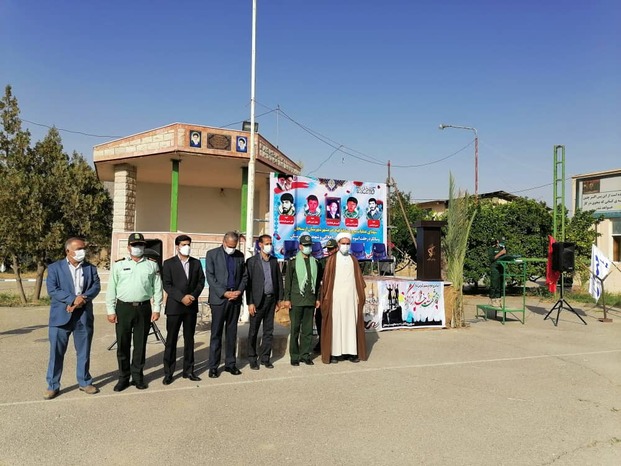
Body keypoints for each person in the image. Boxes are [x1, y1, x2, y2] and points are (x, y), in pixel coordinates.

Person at [44, 237, 101, 400]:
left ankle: (84, 382)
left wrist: (82, 298)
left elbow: (95, 287)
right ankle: (53, 385)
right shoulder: (55, 268)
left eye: (84, 248)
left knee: (84, 351)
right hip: (60, 317)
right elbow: (52, 289)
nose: (82, 251)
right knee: (56, 353)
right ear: (68, 251)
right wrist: (72, 299)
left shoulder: (90, 268)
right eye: (79, 249)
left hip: (83, 316)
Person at [106, 232, 163, 391]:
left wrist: (157, 308)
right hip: (123, 308)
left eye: (141, 245)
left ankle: (137, 377)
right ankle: (123, 378)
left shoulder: (152, 265)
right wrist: (110, 310)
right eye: (135, 245)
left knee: (140, 345)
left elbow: (157, 288)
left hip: (144, 308)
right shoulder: (119, 265)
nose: (138, 247)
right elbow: (111, 288)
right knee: (123, 345)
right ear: (128, 247)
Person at [161, 235, 206, 385]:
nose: (187, 247)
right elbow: (167, 284)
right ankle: (168, 372)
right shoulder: (168, 263)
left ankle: (189, 370)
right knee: (171, 340)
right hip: (175, 307)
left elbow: (201, 281)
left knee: (189, 339)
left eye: (188, 244)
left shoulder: (196, 263)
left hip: (191, 306)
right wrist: (181, 298)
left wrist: (193, 295)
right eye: (184, 244)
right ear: (177, 247)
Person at [205, 231, 248, 378]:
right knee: (216, 334)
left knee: (231, 333)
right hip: (219, 300)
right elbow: (210, 276)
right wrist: (224, 293)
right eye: (229, 246)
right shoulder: (212, 254)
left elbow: (244, 276)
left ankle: (230, 364)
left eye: (234, 246)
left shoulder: (239, 256)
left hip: (235, 299)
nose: (232, 249)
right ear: (224, 242)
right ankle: (213, 366)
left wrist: (239, 291)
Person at [320, 232, 367, 364]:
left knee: (350, 324)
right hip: (336, 298)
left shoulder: (353, 260)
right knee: (336, 325)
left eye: (348, 243)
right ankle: (335, 354)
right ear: (338, 244)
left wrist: (358, 296)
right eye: (343, 243)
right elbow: (327, 281)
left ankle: (351, 352)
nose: (345, 246)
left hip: (351, 298)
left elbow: (358, 280)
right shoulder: (332, 260)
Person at [245, 234, 283, 370]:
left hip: (271, 300)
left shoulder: (274, 261)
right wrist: (250, 302)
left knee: (268, 331)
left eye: (270, 243)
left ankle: (265, 358)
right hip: (257, 302)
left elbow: (278, 280)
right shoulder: (252, 261)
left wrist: (279, 299)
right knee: (253, 331)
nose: (269, 246)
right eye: (266, 243)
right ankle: (252, 358)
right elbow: (248, 284)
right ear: (260, 245)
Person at [283, 234, 322, 366]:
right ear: (300, 246)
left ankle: (305, 355)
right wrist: (287, 299)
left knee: (308, 330)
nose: (308, 247)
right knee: (295, 329)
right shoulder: (293, 262)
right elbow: (288, 282)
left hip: (310, 300)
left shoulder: (315, 262)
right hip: (296, 300)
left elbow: (317, 283)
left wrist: (317, 298)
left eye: (309, 245)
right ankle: (294, 356)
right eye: (305, 245)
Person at [313, 238, 338, 354]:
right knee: (319, 317)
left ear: (337, 248)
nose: (330, 251)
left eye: (332, 249)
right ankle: (322, 341)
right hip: (324, 295)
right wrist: (318, 298)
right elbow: (317, 282)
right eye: (328, 249)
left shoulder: (342, 262)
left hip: (338, 295)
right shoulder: (322, 262)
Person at [488, 238, 507, 307]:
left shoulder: (503, 249)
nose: (501, 244)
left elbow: (506, 257)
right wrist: (500, 253)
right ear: (497, 242)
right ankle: (493, 299)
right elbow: (491, 259)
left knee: (500, 284)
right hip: (494, 267)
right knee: (494, 283)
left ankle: (499, 299)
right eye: (500, 242)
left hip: (501, 267)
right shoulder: (492, 249)